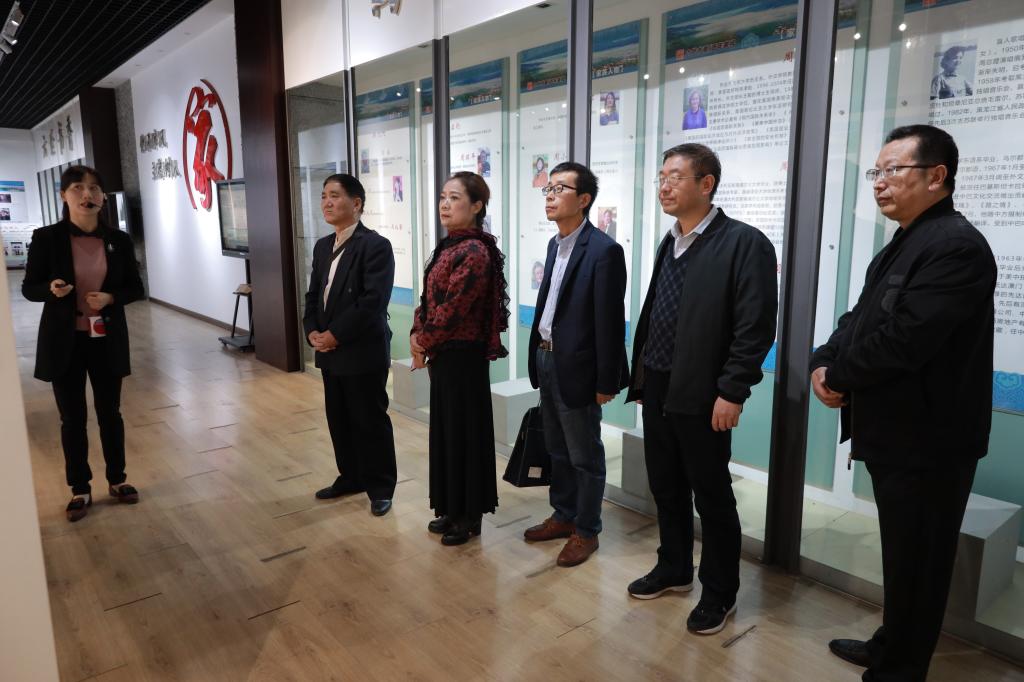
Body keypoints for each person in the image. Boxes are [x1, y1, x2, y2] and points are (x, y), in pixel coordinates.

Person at [813, 125, 996, 682]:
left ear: (937, 176)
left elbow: (907, 339)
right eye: (877, 171)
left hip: (930, 442)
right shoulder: (907, 240)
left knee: (919, 565)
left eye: (893, 170)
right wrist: (824, 358)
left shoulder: (956, 246)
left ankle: (898, 670)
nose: (879, 182)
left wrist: (839, 375)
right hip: (899, 435)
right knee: (903, 557)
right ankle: (891, 645)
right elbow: (860, 318)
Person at [625, 143, 777, 636]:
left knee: (711, 495)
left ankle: (719, 591)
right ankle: (673, 567)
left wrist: (733, 391)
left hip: (705, 392)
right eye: (661, 177)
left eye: (675, 176)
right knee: (666, 485)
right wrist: (643, 379)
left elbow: (755, 327)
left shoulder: (744, 243)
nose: (664, 186)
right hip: (659, 385)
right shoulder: (670, 241)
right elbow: (658, 314)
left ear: (706, 184)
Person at [22, 165, 145, 522]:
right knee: (72, 418)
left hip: (105, 339)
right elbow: (29, 288)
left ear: (103, 197)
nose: (87, 194)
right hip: (65, 341)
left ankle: (117, 480)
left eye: (94, 188)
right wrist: (50, 289)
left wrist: (110, 298)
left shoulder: (118, 240)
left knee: (111, 413)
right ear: (64, 196)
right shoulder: (47, 238)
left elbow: (135, 288)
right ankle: (80, 488)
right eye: (77, 187)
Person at [523, 161, 629, 567]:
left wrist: (606, 381)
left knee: (585, 453)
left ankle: (587, 529)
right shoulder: (556, 245)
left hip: (579, 367)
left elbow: (609, 322)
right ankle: (564, 514)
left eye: (559, 189)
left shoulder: (604, 251)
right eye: (548, 189)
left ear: (584, 199)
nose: (550, 196)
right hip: (546, 356)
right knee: (557, 447)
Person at [410, 171, 510, 546]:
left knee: (465, 435)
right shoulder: (449, 246)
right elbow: (428, 301)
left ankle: (469, 516)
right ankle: (452, 509)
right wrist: (417, 335)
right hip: (444, 355)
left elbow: (453, 309)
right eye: (442, 197)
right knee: (448, 434)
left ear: (477, 206)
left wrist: (422, 342)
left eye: (454, 198)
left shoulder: (475, 252)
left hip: (464, 357)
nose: (445, 205)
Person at [304, 173, 398, 517]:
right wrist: (312, 331)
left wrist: (335, 335)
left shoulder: (375, 246)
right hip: (329, 350)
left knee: (369, 420)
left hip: (362, 350)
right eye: (323, 196)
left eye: (335, 195)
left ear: (356, 203)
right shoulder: (322, 246)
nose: (327, 202)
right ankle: (351, 476)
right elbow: (314, 295)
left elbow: (372, 302)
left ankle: (380, 487)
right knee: (339, 418)